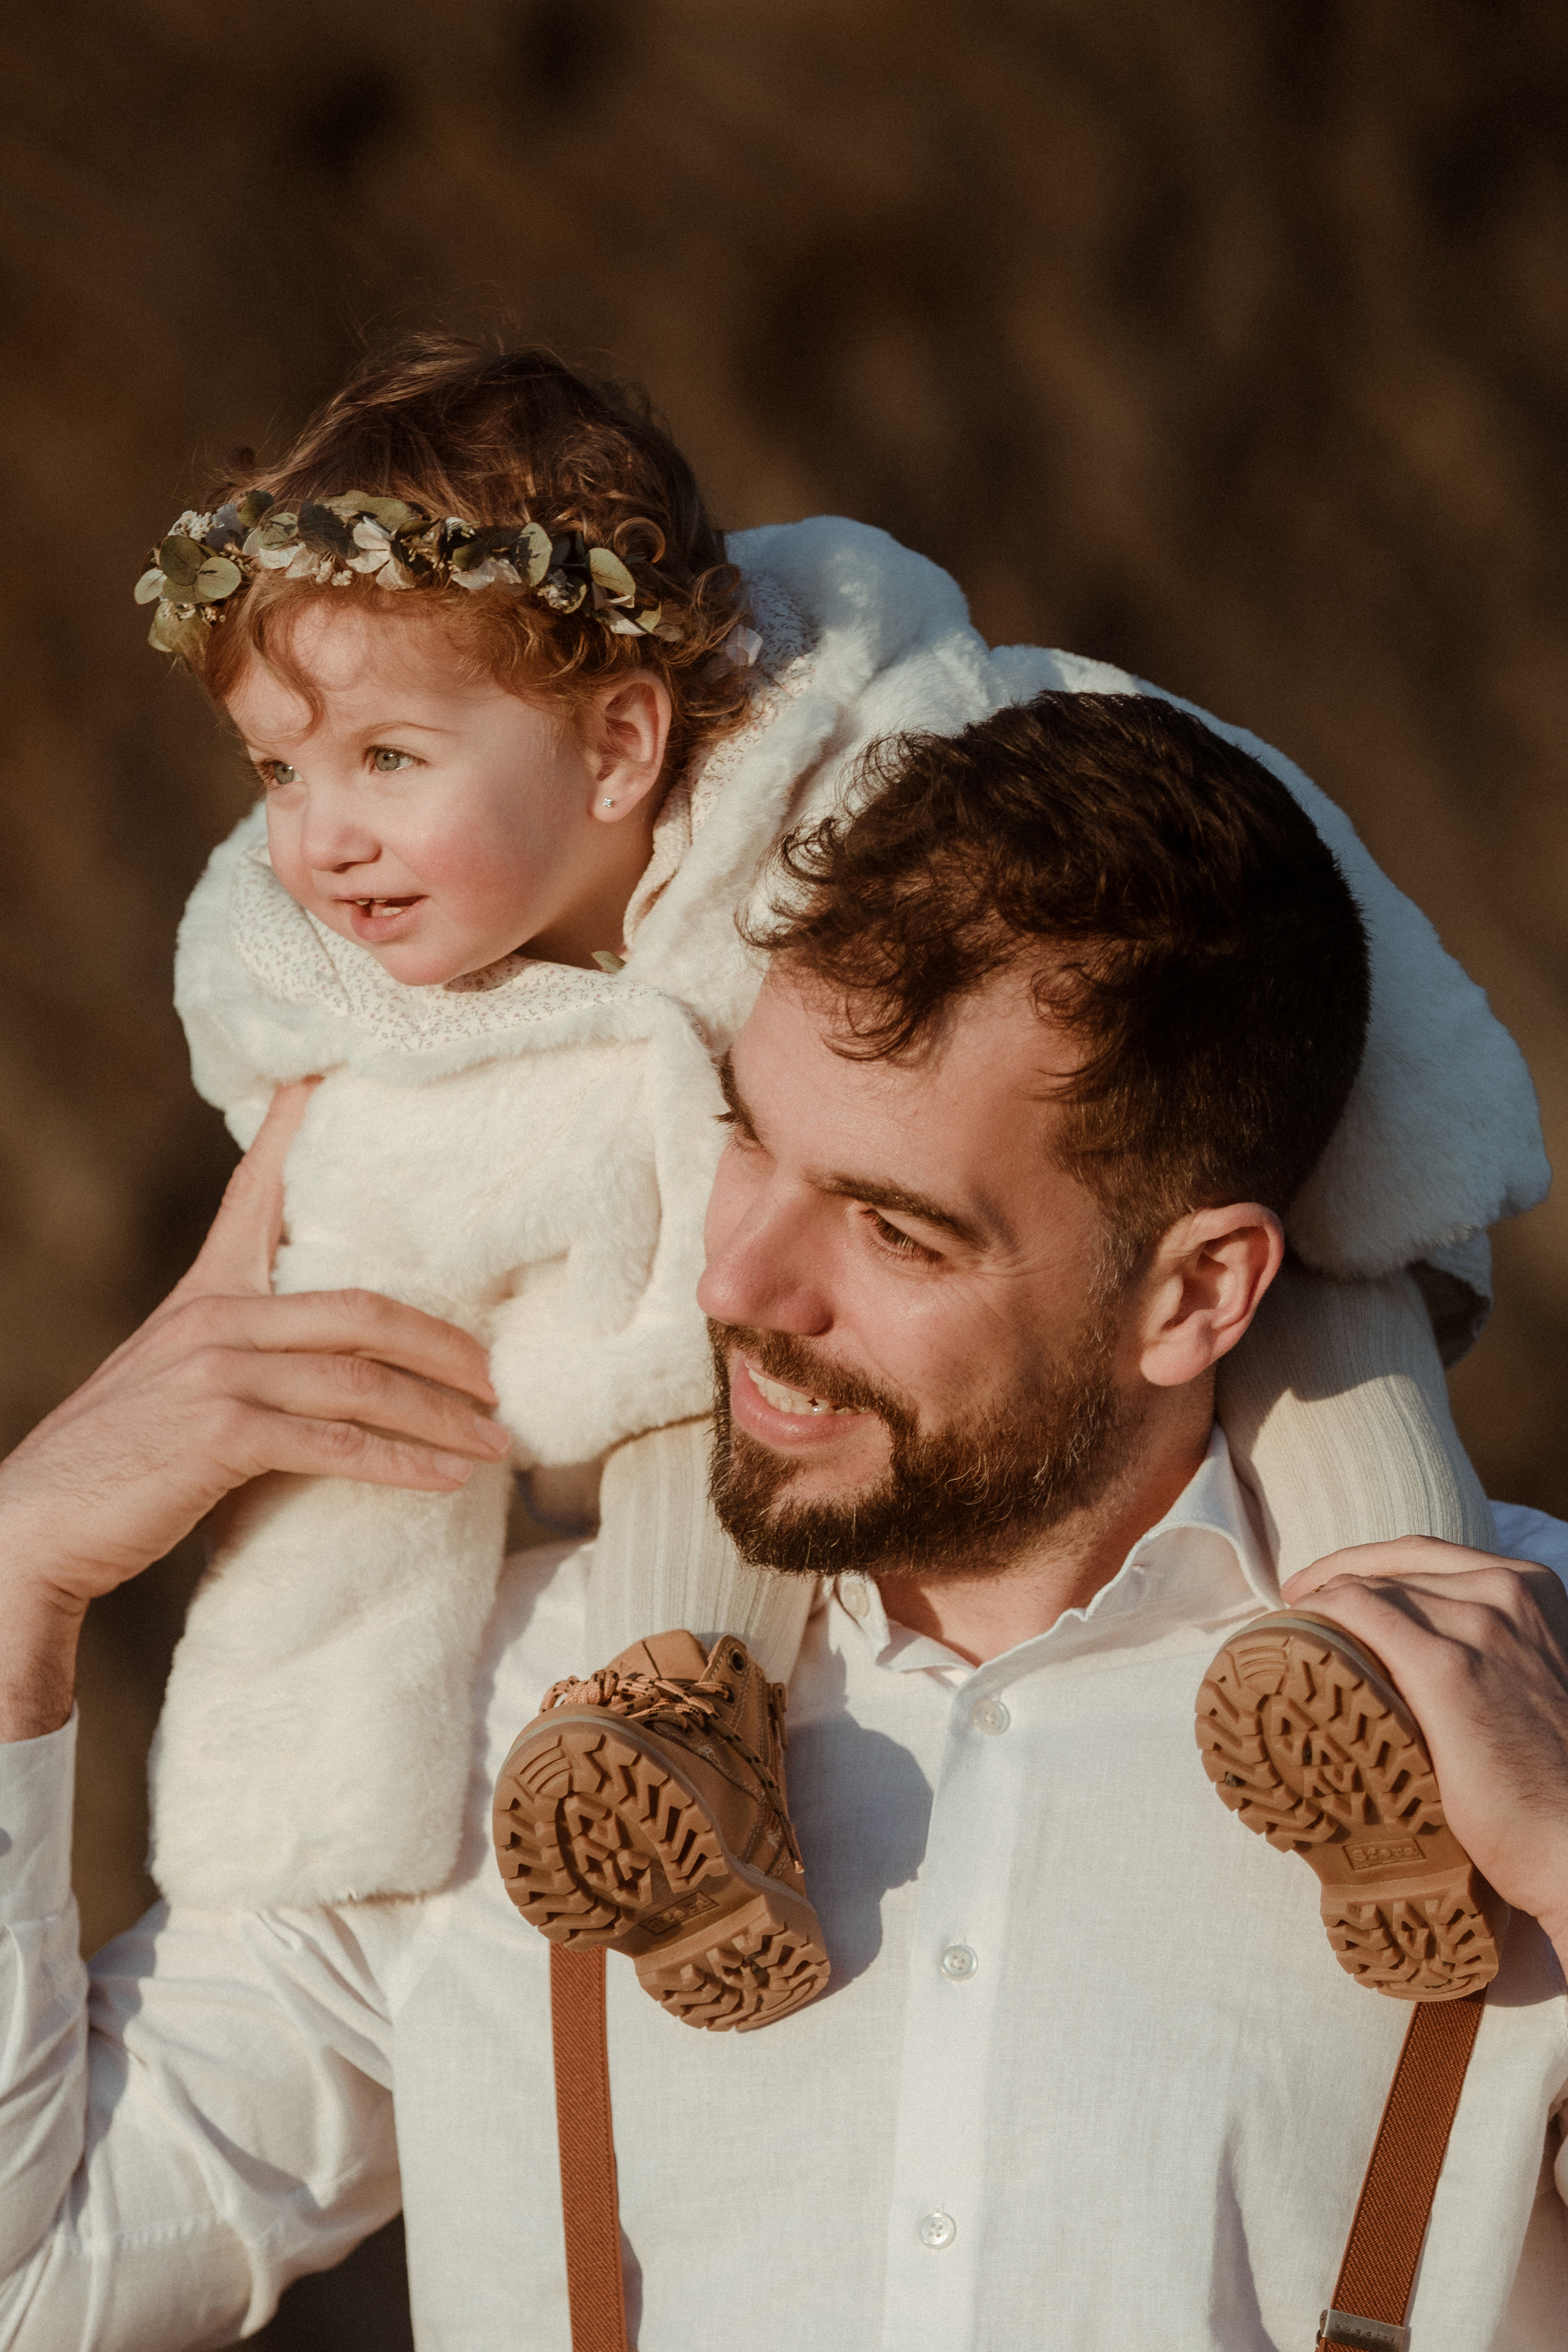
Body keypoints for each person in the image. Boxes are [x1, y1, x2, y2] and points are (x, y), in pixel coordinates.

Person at [1, 692, 1565, 2349]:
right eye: (751, 1141)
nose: (739, 1285)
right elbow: (35, 2278)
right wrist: (19, 1575)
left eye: (897, 1231)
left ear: (1196, 1292)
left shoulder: (1525, 1688)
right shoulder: (485, 1699)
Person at [142, 339, 1542, 2007]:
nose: (321, 839)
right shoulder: (360, 1031)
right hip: (710, 1448)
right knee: (712, 1362)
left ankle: (1403, 1656)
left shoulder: (882, 798)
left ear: (616, 748)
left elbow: (1235, 926)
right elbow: (359, 1396)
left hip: (1200, 1221)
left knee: (1314, 1281)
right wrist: (271, 1775)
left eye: (386, 760)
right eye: (277, 773)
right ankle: (676, 1736)